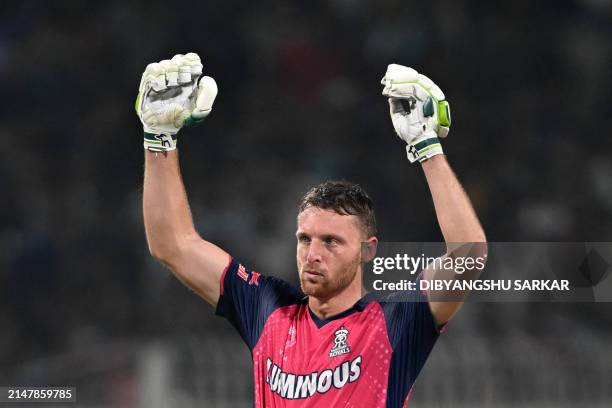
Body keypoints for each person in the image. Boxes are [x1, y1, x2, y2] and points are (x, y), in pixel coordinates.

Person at [136, 53, 487, 407]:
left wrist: (427, 149)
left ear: (367, 250)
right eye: (305, 239)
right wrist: (158, 139)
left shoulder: (394, 324)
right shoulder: (268, 309)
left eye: (332, 241)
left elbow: (469, 257)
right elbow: (173, 245)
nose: (313, 254)